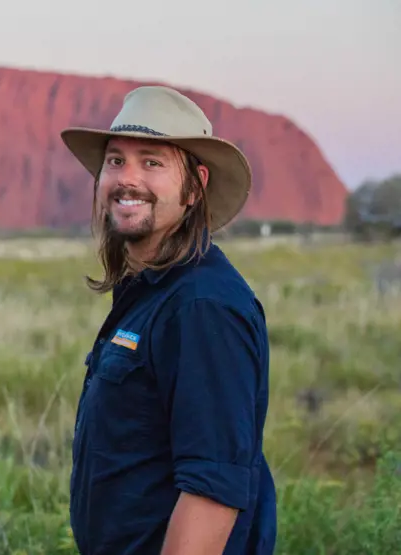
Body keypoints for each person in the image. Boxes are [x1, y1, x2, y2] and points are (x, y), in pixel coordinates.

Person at [59, 86, 278, 554]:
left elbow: (211, 490)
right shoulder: (151, 292)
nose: (127, 178)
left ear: (194, 187)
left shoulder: (203, 307)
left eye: (152, 162)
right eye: (115, 160)